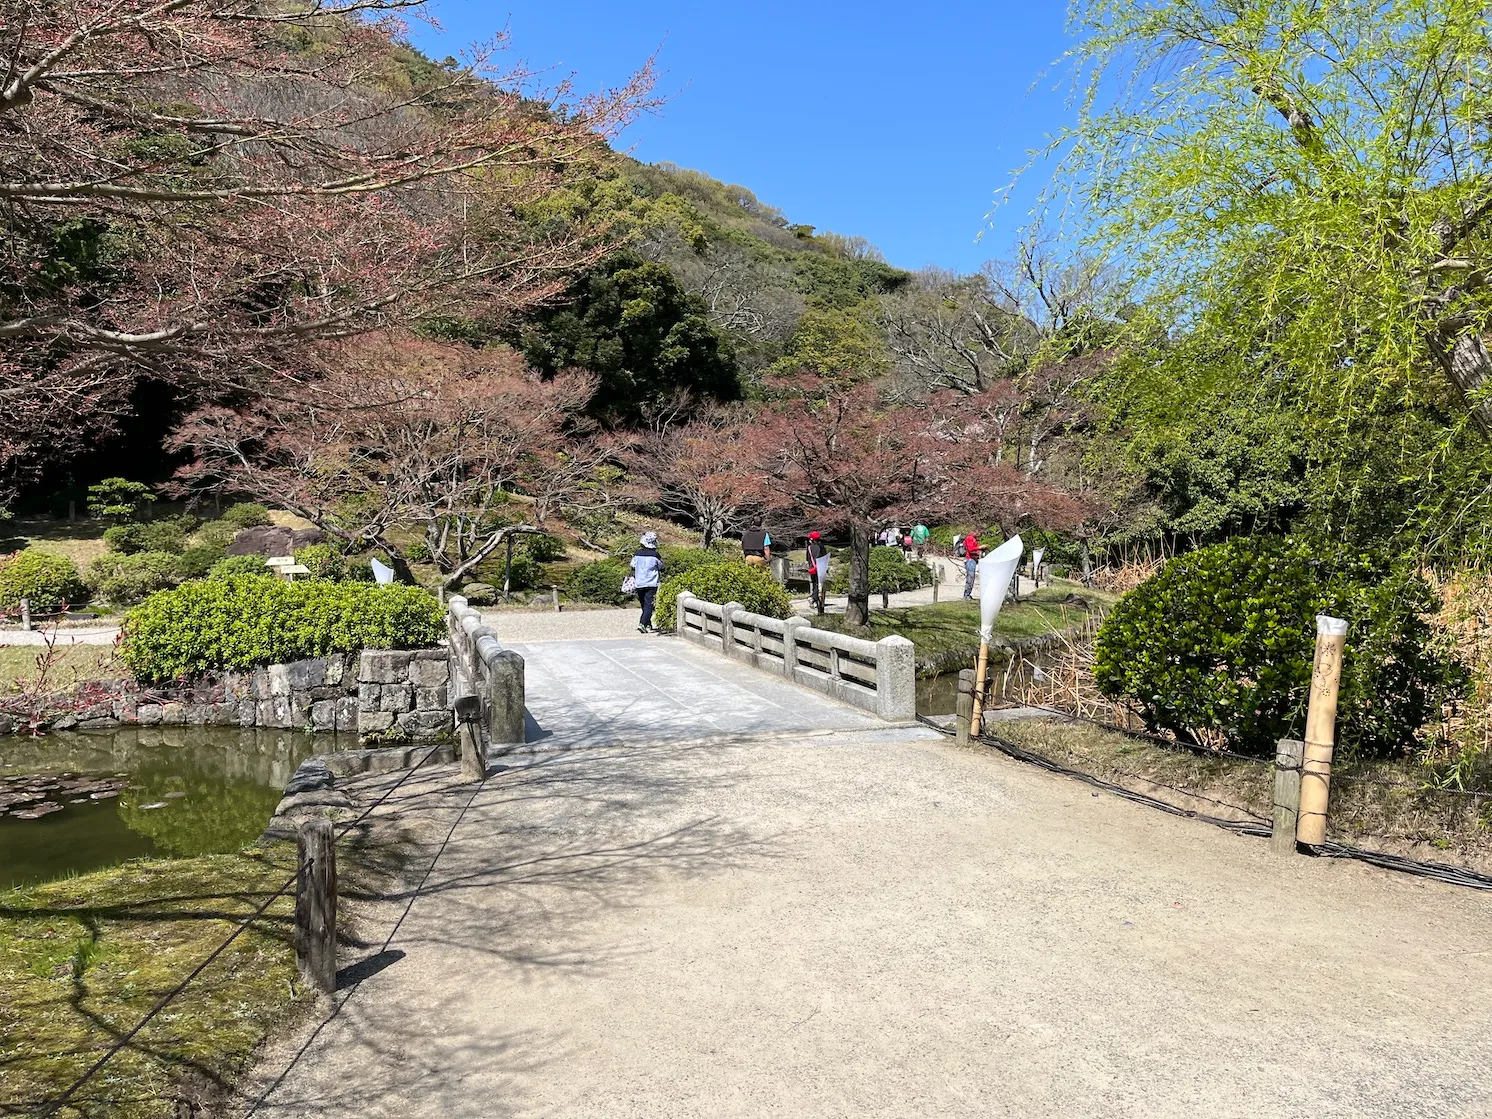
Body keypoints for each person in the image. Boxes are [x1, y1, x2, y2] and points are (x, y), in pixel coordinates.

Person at [631, 531, 664, 633]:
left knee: (643, 604)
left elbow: (632, 565)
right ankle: (642, 623)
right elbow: (661, 566)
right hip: (651, 583)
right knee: (649, 605)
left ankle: (647, 624)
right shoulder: (655, 555)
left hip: (639, 582)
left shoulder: (637, 554)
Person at [805, 531, 829, 614]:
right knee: (820, 585)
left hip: (812, 568)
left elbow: (807, 558)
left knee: (814, 583)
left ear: (812, 539)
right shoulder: (821, 546)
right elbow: (825, 557)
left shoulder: (809, 547)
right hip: (821, 568)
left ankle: (814, 598)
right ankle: (815, 599)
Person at [962, 531, 982, 599]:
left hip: (973, 559)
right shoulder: (970, 538)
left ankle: (968, 594)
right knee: (970, 577)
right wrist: (980, 547)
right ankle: (966, 595)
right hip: (970, 560)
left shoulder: (973, 539)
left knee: (971, 578)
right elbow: (970, 549)